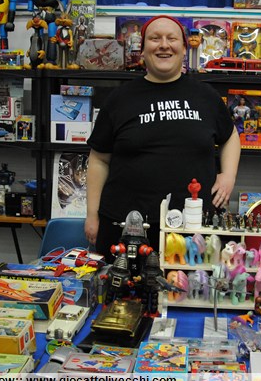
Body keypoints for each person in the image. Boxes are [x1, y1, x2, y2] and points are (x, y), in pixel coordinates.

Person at [85, 15, 240, 261]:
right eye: (155, 39)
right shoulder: (119, 99)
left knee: (190, 286)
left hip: (193, 228)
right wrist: (92, 215)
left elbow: (230, 136)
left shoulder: (206, 96)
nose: (164, 45)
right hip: (126, 227)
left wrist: (228, 176)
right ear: (142, 49)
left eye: (172, 39)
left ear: (184, 48)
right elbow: (99, 160)